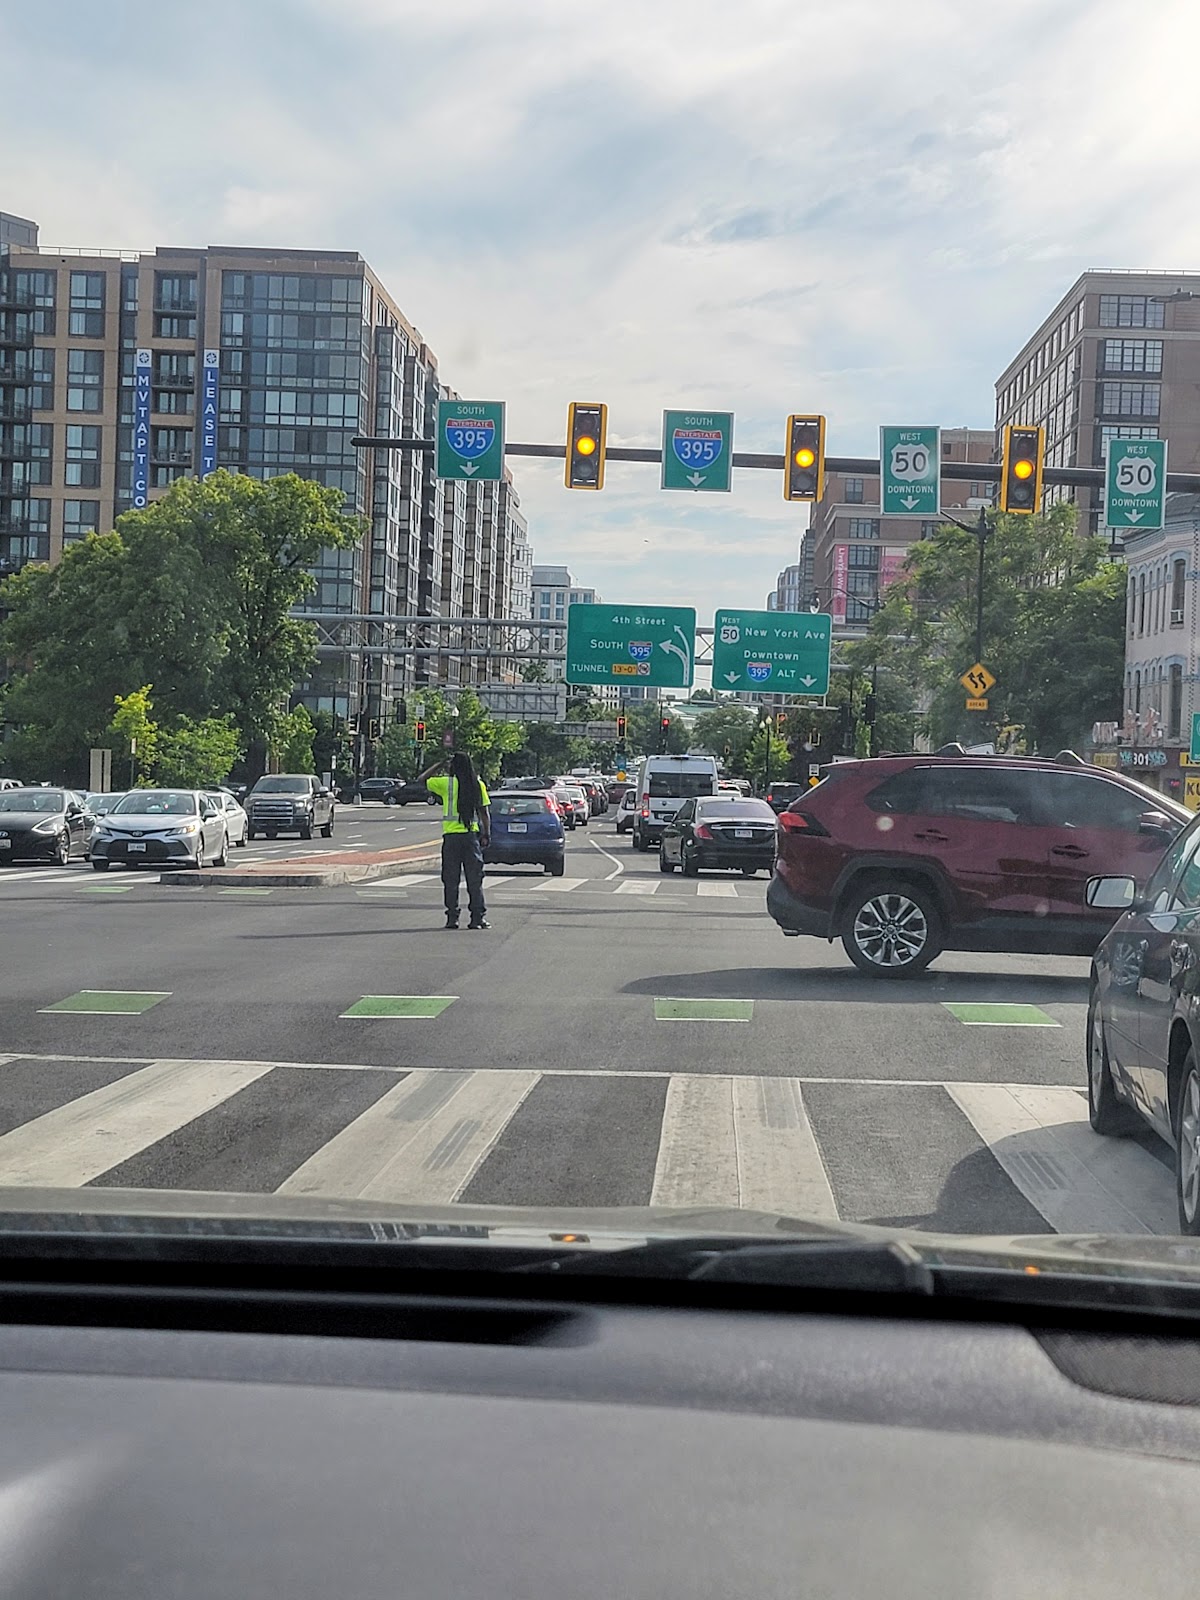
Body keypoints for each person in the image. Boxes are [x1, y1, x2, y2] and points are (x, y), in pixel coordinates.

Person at [419, 750, 491, 930]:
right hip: (470, 837)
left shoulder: (446, 784)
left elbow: (422, 779)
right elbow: (484, 812)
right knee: (474, 880)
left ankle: (452, 918)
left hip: (451, 838)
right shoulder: (477, 784)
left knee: (451, 880)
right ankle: (477, 918)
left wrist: (440, 764)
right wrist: (486, 834)